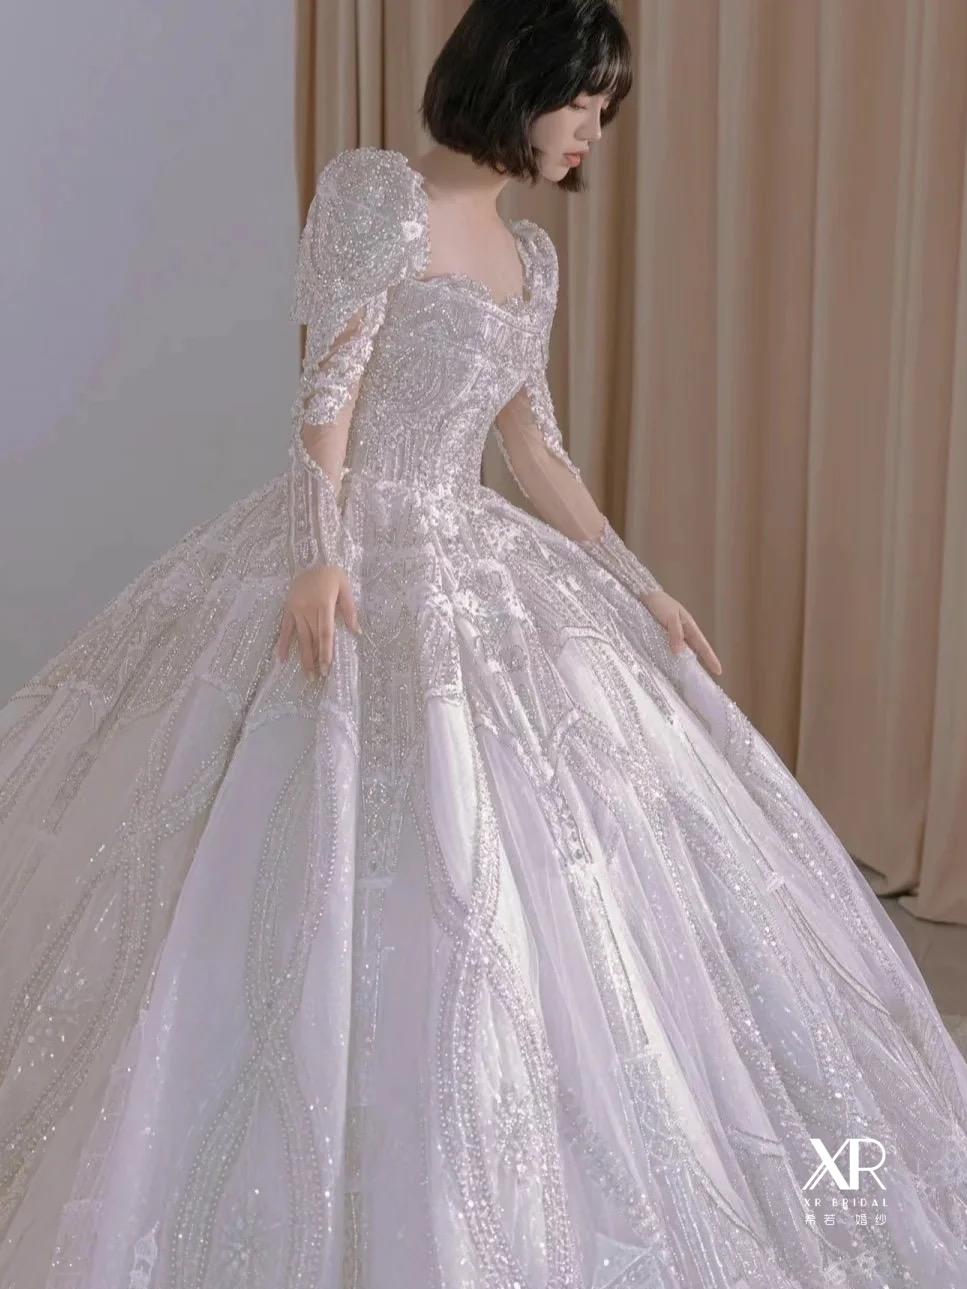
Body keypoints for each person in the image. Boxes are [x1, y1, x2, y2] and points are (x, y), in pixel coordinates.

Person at [1, 1, 966, 1284]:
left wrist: (639, 585)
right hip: (358, 541)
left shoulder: (533, 259)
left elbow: (531, 443)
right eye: (582, 102)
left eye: (603, 113)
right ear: (517, 79)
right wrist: (320, 549)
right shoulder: (378, 196)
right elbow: (329, 386)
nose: (591, 133)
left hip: (471, 545)